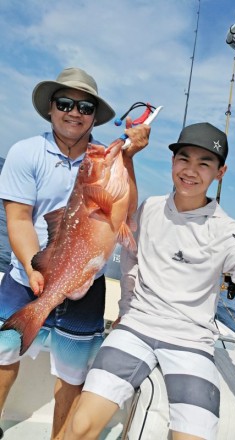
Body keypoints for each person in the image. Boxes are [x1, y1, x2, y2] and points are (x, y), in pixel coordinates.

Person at [64, 122, 235, 440]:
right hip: (137, 328)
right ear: (173, 162)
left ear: (220, 172)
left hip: (192, 344)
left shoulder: (227, 232)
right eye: (184, 159)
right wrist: (125, 310)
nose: (191, 170)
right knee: (79, 427)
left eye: (205, 163)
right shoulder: (148, 209)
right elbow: (130, 262)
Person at [0, 67, 150, 440]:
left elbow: (125, 214)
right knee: (2, 359)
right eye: (65, 103)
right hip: (26, 275)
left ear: (93, 115)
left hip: (87, 280)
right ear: (51, 108)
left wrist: (128, 157)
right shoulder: (25, 152)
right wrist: (35, 270)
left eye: (84, 106)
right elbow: (18, 219)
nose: (74, 111)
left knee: (72, 376)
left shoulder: (107, 160)